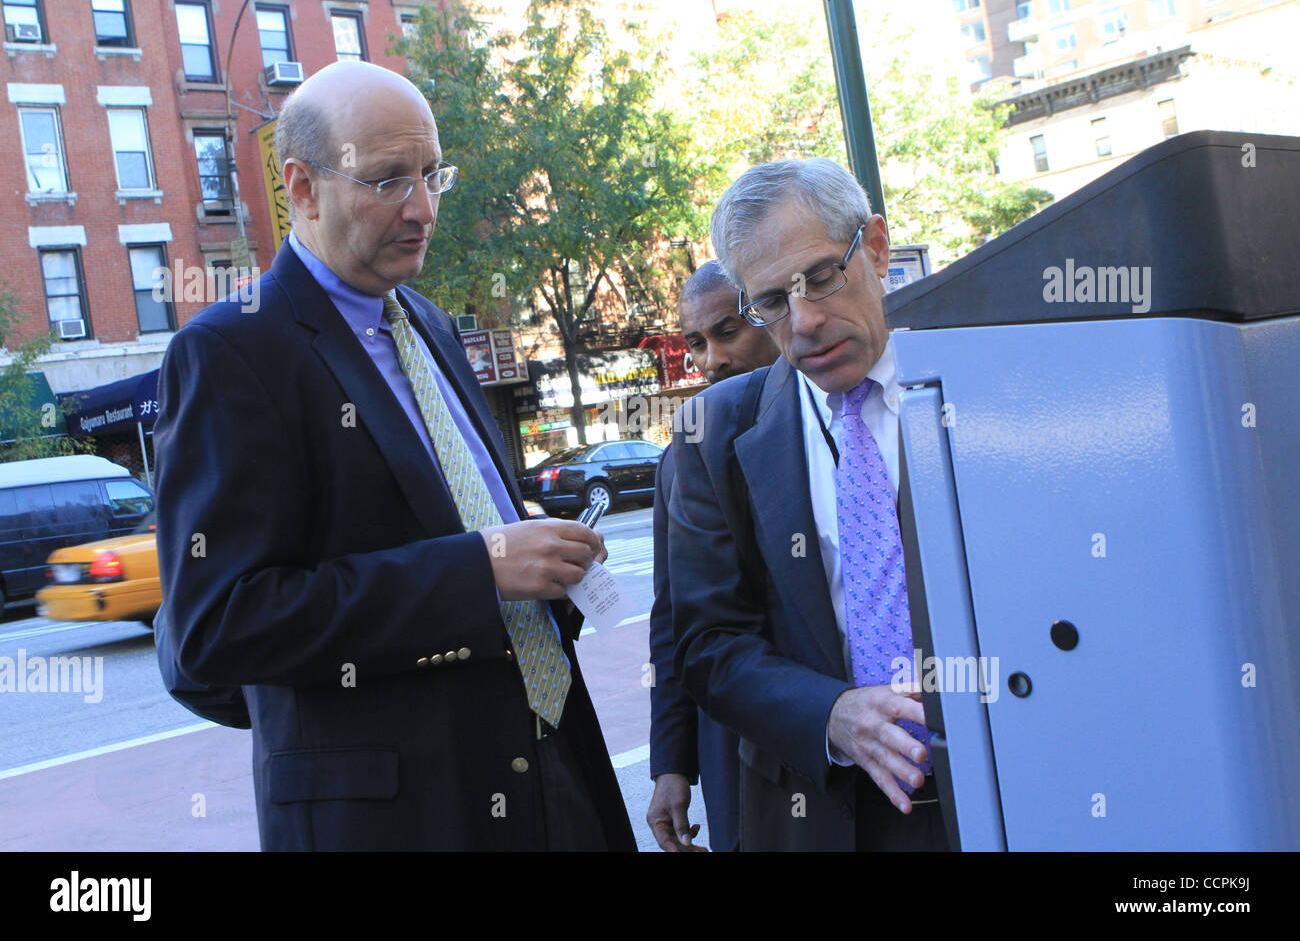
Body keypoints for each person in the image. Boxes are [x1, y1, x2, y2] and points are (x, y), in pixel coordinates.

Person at [153, 61, 635, 851]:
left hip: (553, 772)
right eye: (386, 181)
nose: (422, 208)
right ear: (301, 188)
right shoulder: (230, 353)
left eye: (432, 174)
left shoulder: (433, 327)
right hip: (399, 820)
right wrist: (476, 568)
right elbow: (216, 626)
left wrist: (535, 550)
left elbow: (455, 518)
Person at [666, 158, 950, 851]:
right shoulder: (716, 436)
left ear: (875, 246)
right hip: (820, 810)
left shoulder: (982, 384)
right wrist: (833, 715)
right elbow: (708, 646)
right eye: (771, 303)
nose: (806, 322)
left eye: (821, 278)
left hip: (998, 787)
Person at [646, 261, 778, 852]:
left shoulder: (837, 425)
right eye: (696, 342)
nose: (710, 360)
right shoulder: (683, 454)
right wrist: (671, 763)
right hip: (732, 745)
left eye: (728, 332)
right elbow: (672, 616)